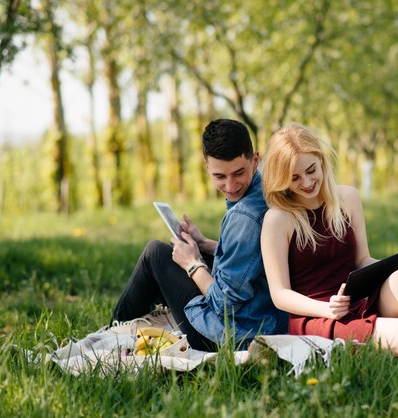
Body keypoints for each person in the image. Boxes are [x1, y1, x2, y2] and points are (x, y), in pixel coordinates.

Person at [260, 124, 398, 363]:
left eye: (311, 170)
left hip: (358, 297)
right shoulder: (278, 219)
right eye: (294, 178)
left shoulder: (347, 198)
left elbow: (362, 260)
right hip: (319, 316)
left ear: (321, 160)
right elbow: (280, 294)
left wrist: (391, 270)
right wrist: (326, 309)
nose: (306, 182)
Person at [111, 119, 288, 351]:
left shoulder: (244, 216)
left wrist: (193, 264)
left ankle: (114, 330)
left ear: (254, 160)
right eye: (220, 177)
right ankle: (136, 323)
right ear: (207, 167)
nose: (231, 185)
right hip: (266, 318)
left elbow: (224, 306)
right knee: (173, 256)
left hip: (231, 336)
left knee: (155, 253)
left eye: (238, 173)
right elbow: (255, 257)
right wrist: (204, 244)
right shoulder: (266, 188)